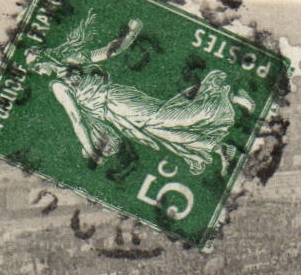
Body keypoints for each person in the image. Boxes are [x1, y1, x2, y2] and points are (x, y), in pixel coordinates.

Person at [24, 10, 252, 175]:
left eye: (37, 69)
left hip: (116, 102)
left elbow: (76, 118)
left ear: (42, 62)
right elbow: (112, 51)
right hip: (113, 114)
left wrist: (91, 152)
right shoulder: (72, 62)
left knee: (162, 119)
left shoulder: (59, 85)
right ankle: (220, 148)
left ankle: (227, 96)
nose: (41, 74)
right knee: (160, 132)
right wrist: (131, 34)